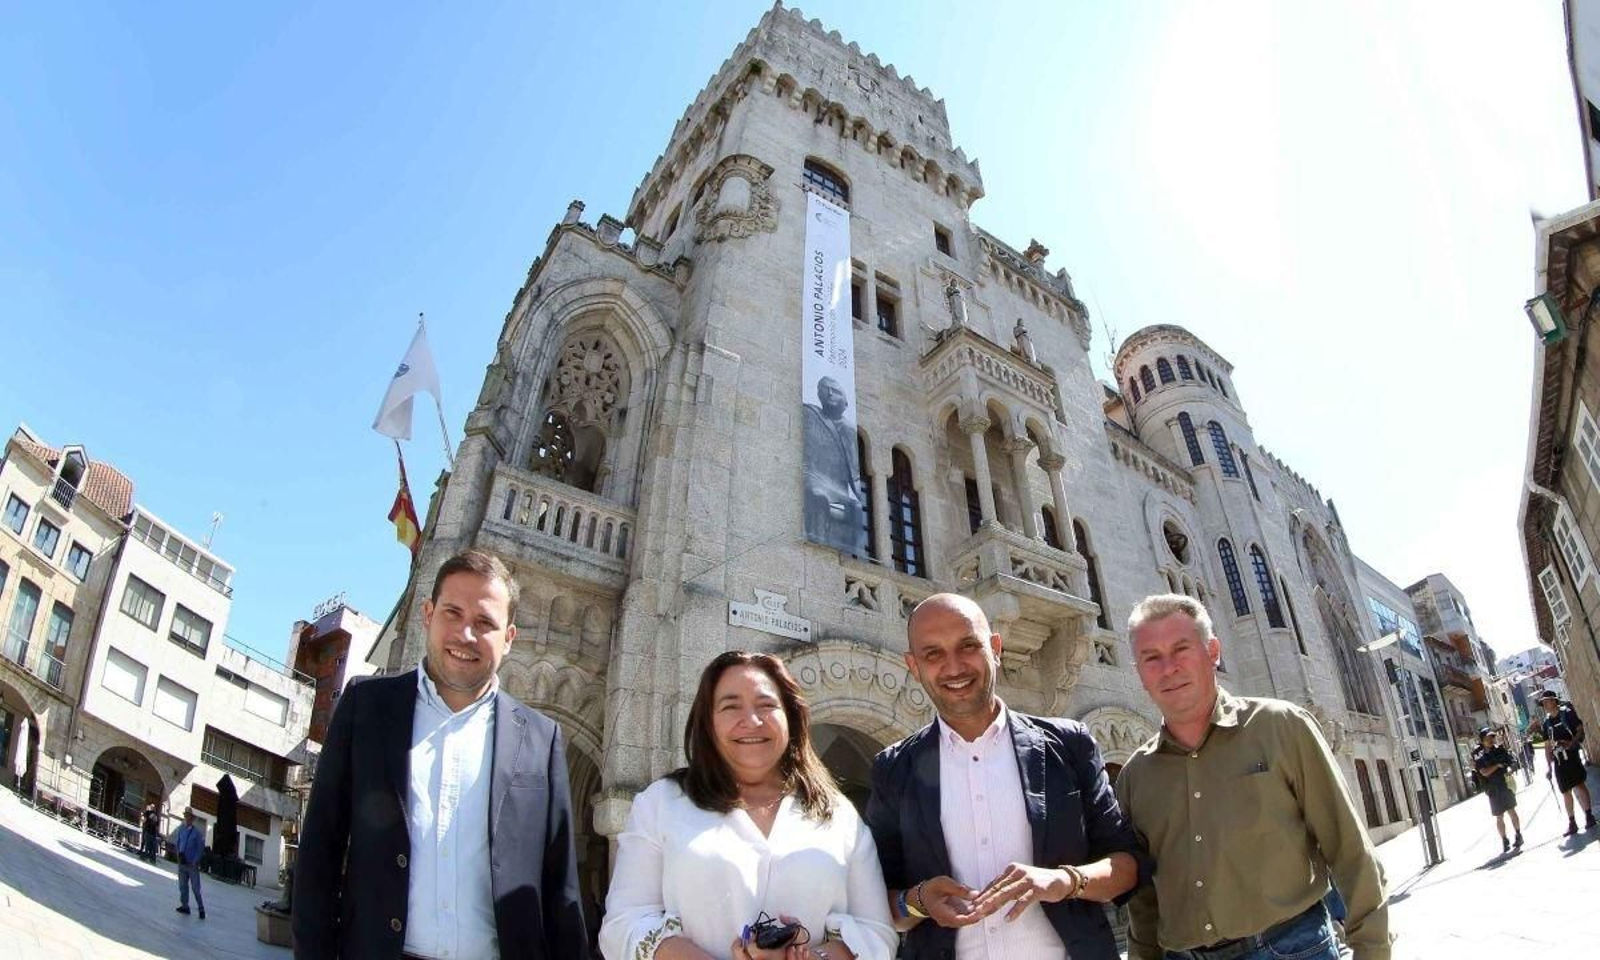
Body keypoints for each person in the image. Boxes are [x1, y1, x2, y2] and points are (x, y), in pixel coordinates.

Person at [293, 550, 587, 960]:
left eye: (485, 622)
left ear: (509, 638)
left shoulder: (542, 739)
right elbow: (319, 855)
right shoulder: (366, 707)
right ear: (428, 614)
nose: (466, 634)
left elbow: (561, 889)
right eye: (453, 613)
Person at [864, 593, 1143, 960]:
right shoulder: (893, 769)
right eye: (933, 654)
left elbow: (1127, 866)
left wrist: (1064, 881)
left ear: (995, 647)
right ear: (913, 666)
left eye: (968, 645)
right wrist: (918, 902)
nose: (954, 666)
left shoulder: (1068, 745)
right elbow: (875, 901)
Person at [1116, 594, 1390, 960]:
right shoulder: (1134, 777)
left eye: (1181, 649)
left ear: (1213, 651)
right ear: (1139, 672)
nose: (1168, 668)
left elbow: (1350, 850)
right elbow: (1145, 903)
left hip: (1292, 948)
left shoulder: (1282, 727)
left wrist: (1373, 951)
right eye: (1152, 657)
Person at [600, 651, 895, 960]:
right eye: (730, 706)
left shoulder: (839, 816)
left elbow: (877, 934)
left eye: (767, 705)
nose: (752, 721)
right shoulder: (661, 803)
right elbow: (623, 924)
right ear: (708, 722)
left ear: (791, 717)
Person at [801, 375, 867, 556]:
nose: (830, 394)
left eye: (835, 391)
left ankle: (843, 555)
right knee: (818, 502)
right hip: (815, 484)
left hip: (836, 493)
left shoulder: (848, 429)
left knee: (847, 514)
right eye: (825, 389)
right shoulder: (809, 413)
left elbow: (854, 473)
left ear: (845, 402)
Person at [1536, 689, 1595, 836]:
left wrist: (1571, 743)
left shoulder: (1567, 713)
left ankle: (1589, 816)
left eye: (1548, 700)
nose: (1546, 704)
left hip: (1572, 755)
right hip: (1559, 760)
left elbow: (1580, 730)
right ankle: (1572, 822)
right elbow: (1547, 745)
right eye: (1543, 702)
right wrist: (1549, 767)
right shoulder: (1546, 723)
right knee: (1565, 791)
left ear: (1554, 700)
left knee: (1579, 784)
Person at [1471, 727, 1523, 852]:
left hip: (1505, 784)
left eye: (1492, 737)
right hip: (1492, 788)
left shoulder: (1500, 750)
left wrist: (1510, 768)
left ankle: (1518, 834)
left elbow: (1511, 762)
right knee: (1499, 816)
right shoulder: (1479, 756)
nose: (1491, 739)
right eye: (1488, 737)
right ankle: (1504, 840)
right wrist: (1498, 766)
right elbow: (1484, 772)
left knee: (1512, 811)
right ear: (1482, 740)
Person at [172, 808, 206, 919]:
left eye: (189, 816)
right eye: (186, 816)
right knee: (182, 886)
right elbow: (178, 843)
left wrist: (195, 861)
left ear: (192, 819)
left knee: (196, 888)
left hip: (192, 865)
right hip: (182, 863)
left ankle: (201, 908)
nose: (187, 818)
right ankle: (185, 906)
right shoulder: (181, 829)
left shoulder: (197, 833)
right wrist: (178, 855)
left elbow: (200, 849)